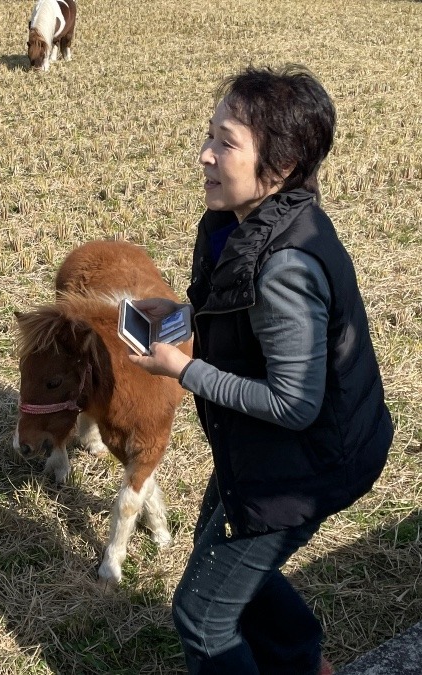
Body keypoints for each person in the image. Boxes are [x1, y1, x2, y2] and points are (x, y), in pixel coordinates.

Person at [128, 65, 393, 674]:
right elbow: (240, 312)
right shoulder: (242, 225)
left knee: (203, 617)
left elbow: (294, 403)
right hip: (270, 449)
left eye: (226, 143)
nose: (205, 155)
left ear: (278, 168)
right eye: (209, 135)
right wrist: (182, 315)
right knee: (218, 558)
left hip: (307, 463)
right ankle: (302, 661)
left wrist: (180, 369)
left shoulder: (286, 268)